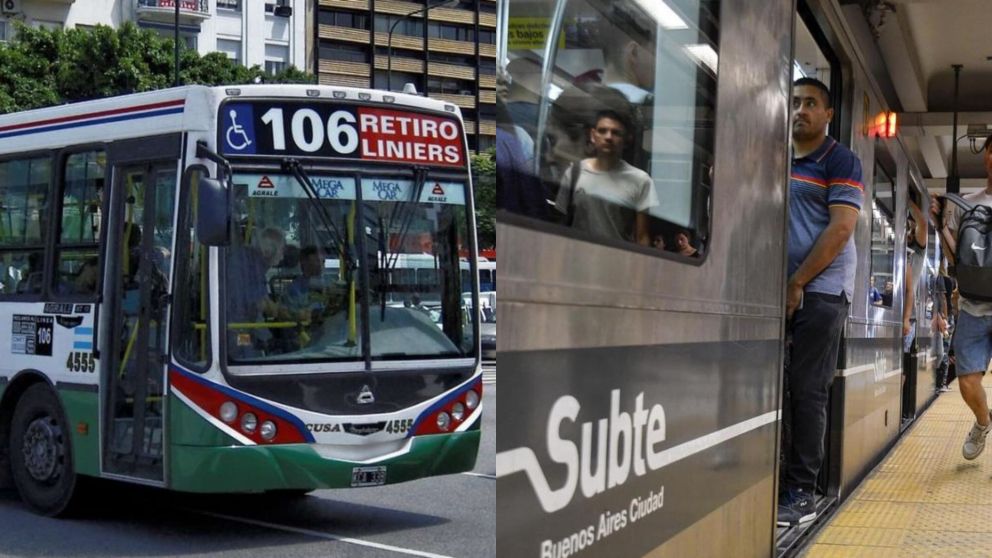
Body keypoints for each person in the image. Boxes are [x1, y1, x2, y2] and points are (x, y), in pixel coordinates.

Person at [778, 77, 863, 526]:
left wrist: (798, 282)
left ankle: (802, 491)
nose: (801, 110)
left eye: (811, 103)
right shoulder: (777, 155)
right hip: (781, 286)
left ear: (828, 114)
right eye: (794, 102)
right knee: (775, 383)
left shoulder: (840, 159)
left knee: (807, 388)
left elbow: (841, 229)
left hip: (823, 291)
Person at [931, 133, 992, 460]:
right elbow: (956, 260)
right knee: (968, 383)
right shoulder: (967, 204)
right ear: (986, 156)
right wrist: (940, 226)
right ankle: (983, 423)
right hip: (971, 308)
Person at [554, 108, 658, 245]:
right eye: (602, 131)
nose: (608, 137)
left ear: (626, 139)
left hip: (619, 259)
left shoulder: (640, 180)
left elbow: (642, 236)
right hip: (577, 256)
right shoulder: (575, 172)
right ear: (592, 135)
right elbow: (560, 225)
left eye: (616, 133)